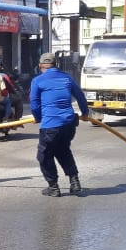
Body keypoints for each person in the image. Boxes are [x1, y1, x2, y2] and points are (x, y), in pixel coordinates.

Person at [29, 52, 90, 197]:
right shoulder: (66, 77)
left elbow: (34, 103)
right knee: (63, 150)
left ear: (40, 66)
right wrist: (85, 113)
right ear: (56, 65)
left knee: (44, 155)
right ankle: (75, 182)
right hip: (68, 123)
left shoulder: (38, 80)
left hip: (51, 124)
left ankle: (53, 187)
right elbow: (80, 96)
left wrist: (37, 117)